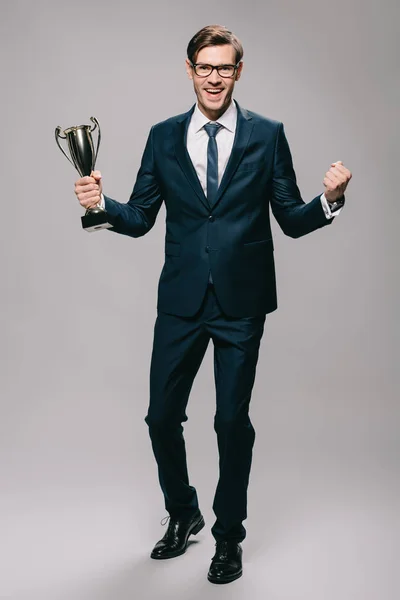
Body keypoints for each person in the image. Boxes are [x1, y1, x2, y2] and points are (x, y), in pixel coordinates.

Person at [74, 24, 352, 585]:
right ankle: (184, 512)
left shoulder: (267, 135)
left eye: (225, 67)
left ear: (238, 72)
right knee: (159, 418)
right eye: (205, 67)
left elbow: (292, 220)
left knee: (230, 421)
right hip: (180, 299)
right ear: (190, 70)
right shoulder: (162, 136)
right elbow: (142, 217)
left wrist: (331, 199)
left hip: (240, 303)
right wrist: (101, 203)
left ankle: (228, 538)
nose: (215, 77)